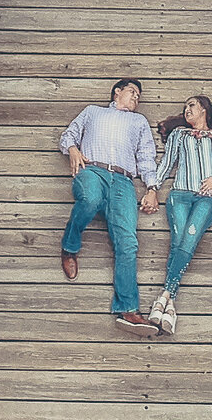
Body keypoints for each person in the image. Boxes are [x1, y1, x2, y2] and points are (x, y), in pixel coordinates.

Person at [57, 77, 163, 337]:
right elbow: (69, 133)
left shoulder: (138, 122)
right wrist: (71, 149)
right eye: (132, 92)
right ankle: (69, 247)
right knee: (90, 200)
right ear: (117, 92)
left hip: (124, 182)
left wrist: (152, 189)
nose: (136, 98)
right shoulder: (93, 111)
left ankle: (128, 309)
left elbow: (146, 156)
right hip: (93, 170)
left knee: (128, 243)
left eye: (139, 96)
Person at [144, 93, 212, 338]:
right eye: (184, 108)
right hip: (179, 196)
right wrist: (153, 189)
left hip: (207, 199)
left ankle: (163, 296)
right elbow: (166, 163)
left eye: (191, 106)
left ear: (204, 109)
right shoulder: (179, 134)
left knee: (188, 242)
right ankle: (169, 309)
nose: (186, 111)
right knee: (179, 243)